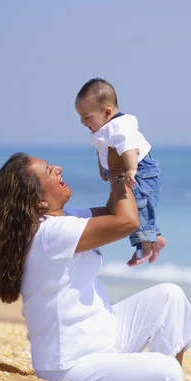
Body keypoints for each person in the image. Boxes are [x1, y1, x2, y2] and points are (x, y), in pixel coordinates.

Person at [0, 148, 191, 381]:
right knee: (168, 371)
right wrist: (119, 172)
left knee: (170, 297)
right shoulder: (50, 234)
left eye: (51, 164)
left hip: (104, 336)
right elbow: (126, 221)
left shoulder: (64, 219)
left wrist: (110, 159)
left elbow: (112, 211)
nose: (58, 168)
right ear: (39, 201)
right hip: (71, 365)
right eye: (49, 171)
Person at [75, 78, 166, 267]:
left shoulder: (119, 126)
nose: (82, 121)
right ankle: (155, 237)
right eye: (81, 116)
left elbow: (128, 147)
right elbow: (102, 149)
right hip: (123, 170)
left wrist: (132, 169)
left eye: (86, 116)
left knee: (137, 207)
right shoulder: (103, 128)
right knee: (127, 206)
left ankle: (146, 244)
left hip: (138, 169)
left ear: (107, 112)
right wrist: (103, 169)